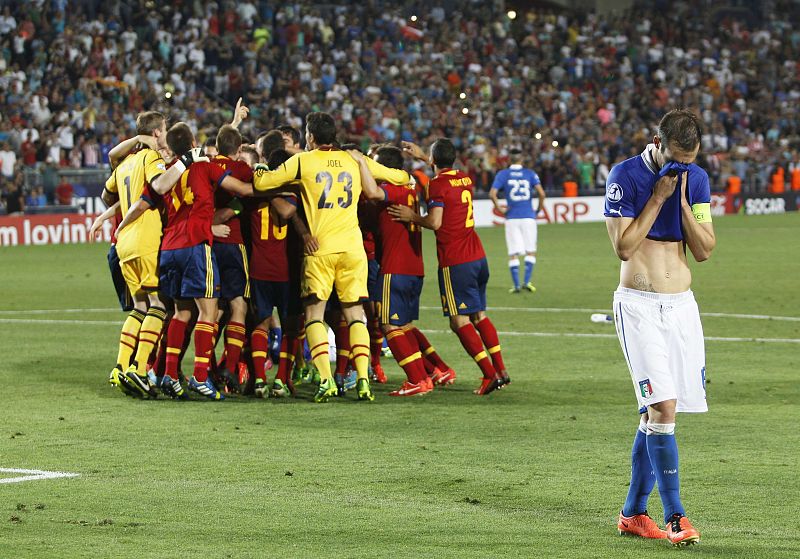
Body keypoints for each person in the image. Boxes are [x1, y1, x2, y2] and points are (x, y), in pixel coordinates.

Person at [605, 109, 715, 546]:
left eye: (690, 159)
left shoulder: (696, 179)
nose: (682, 166)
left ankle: (633, 513)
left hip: (682, 309)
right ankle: (676, 516)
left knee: (657, 414)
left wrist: (683, 200)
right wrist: (657, 197)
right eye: (676, 157)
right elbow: (624, 246)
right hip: (639, 307)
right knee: (662, 409)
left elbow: (705, 250)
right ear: (657, 141)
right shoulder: (625, 175)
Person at [253, 111, 410, 403]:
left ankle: (326, 381)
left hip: (319, 249)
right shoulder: (353, 158)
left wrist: (260, 167)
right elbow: (401, 177)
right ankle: (363, 380)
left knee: (314, 315)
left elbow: (263, 184)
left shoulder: (303, 160)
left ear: (310, 137)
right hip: (353, 249)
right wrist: (365, 162)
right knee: (355, 316)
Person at [389, 139, 509, 395]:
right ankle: (500, 369)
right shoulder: (464, 178)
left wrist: (412, 216)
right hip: (478, 256)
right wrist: (425, 157)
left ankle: (489, 375)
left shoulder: (436, 185)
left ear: (433, 161)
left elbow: (434, 222)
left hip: (456, 261)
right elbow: (445, 175)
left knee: (459, 321)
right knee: (480, 315)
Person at [489, 148, 546, 293]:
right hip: (528, 216)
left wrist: (500, 209)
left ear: (509, 160)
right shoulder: (530, 173)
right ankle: (526, 282)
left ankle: (516, 286)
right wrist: (538, 209)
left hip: (511, 217)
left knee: (513, 252)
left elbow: (492, 193)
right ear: (521, 160)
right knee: (530, 251)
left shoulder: (503, 174)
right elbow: (541, 193)